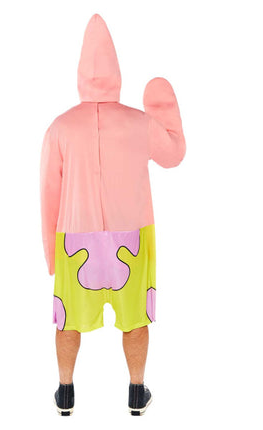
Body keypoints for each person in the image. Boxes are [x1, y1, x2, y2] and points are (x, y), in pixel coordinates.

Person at [40, 13, 186, 416]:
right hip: (131, 238)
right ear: (116, 71)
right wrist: (162, 107)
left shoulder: (60, 128)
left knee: (68, 319)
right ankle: (136, 392)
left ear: (80, 72)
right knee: (135, 317)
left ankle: (65, 392)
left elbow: (48, 194)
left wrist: (51, 256)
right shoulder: (140, 123)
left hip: (75, 239)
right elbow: (174, 154)